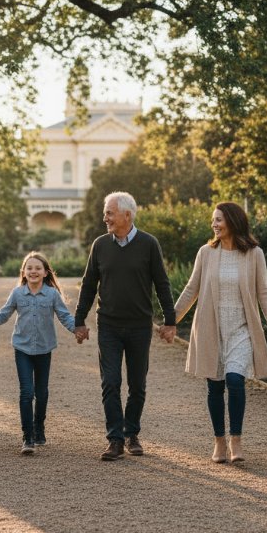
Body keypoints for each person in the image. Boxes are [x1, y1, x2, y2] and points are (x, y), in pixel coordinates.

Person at [173, 202, 267, 464]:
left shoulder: (254, 254)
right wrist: (170, 320)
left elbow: (264, 292)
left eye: (219, 219)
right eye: (213, 220)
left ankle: (236, 441)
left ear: (233, 221)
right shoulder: (206, 253)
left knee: (235, 380)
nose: (215, 224)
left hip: (242, 329)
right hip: (212, 326)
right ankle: (219, 441)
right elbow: (191, 289)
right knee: (215, 385)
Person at [74, 192, 176, 461]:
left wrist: (170, 321)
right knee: (110, 382)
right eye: (106, 212)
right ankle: (115, 439)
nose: (104, 217)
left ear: (126, 216)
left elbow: (162, 284)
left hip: (139, 326)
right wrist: (79, 320)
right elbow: (88, 284)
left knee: (137, 384)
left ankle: (131, 433)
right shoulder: (100, 245)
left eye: (109, 213)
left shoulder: (148, 244)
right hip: (108, 324)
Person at [0, 252, 76, 454]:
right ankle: (28, 436)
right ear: (23, 272)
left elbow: (65, 316)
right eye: (29, 268)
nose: (33, 271)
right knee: (26, 392)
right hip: (22, 348)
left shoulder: (51, 294)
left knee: (41, 393)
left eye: (38, 268)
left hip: (44, 348)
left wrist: (78, 329)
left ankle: (39, 427)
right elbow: (4, 314)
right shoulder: (17, 293)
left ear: (46, 272)